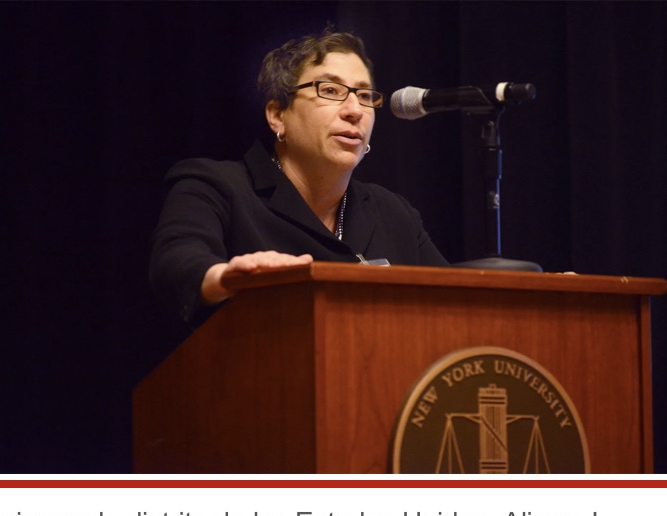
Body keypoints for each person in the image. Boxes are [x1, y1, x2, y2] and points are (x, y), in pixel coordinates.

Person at [150, 29, 449, 324]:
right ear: (277, 115)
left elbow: (453, 303)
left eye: (364, 95)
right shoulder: (215, 186)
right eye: (330, 90)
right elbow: (176, 261)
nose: (355, 110)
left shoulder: (393, 213)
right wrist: (226, 276)